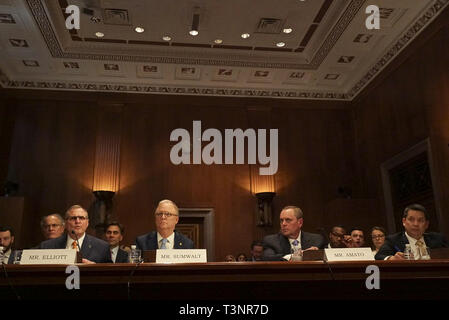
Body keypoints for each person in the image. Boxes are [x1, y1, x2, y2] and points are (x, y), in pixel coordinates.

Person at [38, 205, 112, 263]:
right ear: (66, 223)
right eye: (73, 218)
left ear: (87, 223)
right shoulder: (47, 246)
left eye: (81, 218)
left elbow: (110, 276)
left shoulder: (102, 247)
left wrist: (94, 268)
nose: (77, 221)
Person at [376, 204, 449, 260]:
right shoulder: (393, 240)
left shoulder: (438, 239)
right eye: (411, 219)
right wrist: (391, 258)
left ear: (426, 224)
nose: (416, 224)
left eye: (420, 220)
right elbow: (379, 256)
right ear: (404, 221)